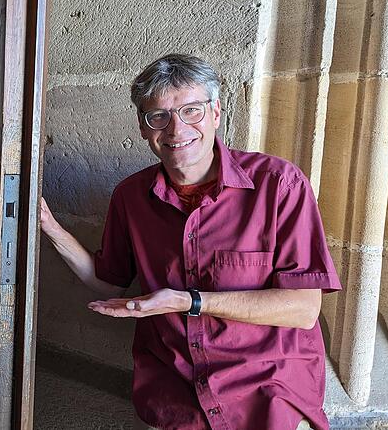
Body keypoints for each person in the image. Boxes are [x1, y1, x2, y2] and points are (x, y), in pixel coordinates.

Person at [39, 54, 341, 430]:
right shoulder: (131, 197)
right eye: (159, 116)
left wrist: (189, 302)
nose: (176, 129)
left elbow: (302, 309)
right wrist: (51, 227)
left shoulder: (279, 184)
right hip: (175, 389)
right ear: (143, 127)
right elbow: (108, 282)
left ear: (216, 113)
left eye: (191, 111)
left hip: (268, 388)